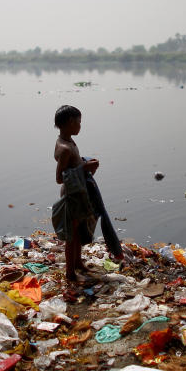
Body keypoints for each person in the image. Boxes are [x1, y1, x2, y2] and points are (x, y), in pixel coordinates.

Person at [52, 105, 112, 284]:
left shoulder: (69, 141)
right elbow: (59, 177)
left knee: (78, 231)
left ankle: (78, 263)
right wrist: (84, 168)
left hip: (78, 192)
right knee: (71, 235)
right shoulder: (64, 148)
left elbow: (73, 166)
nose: (80, 126)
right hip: (71, 195)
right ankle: (70, 273)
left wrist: (85, 162)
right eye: (79, 122)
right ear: (70, 122)